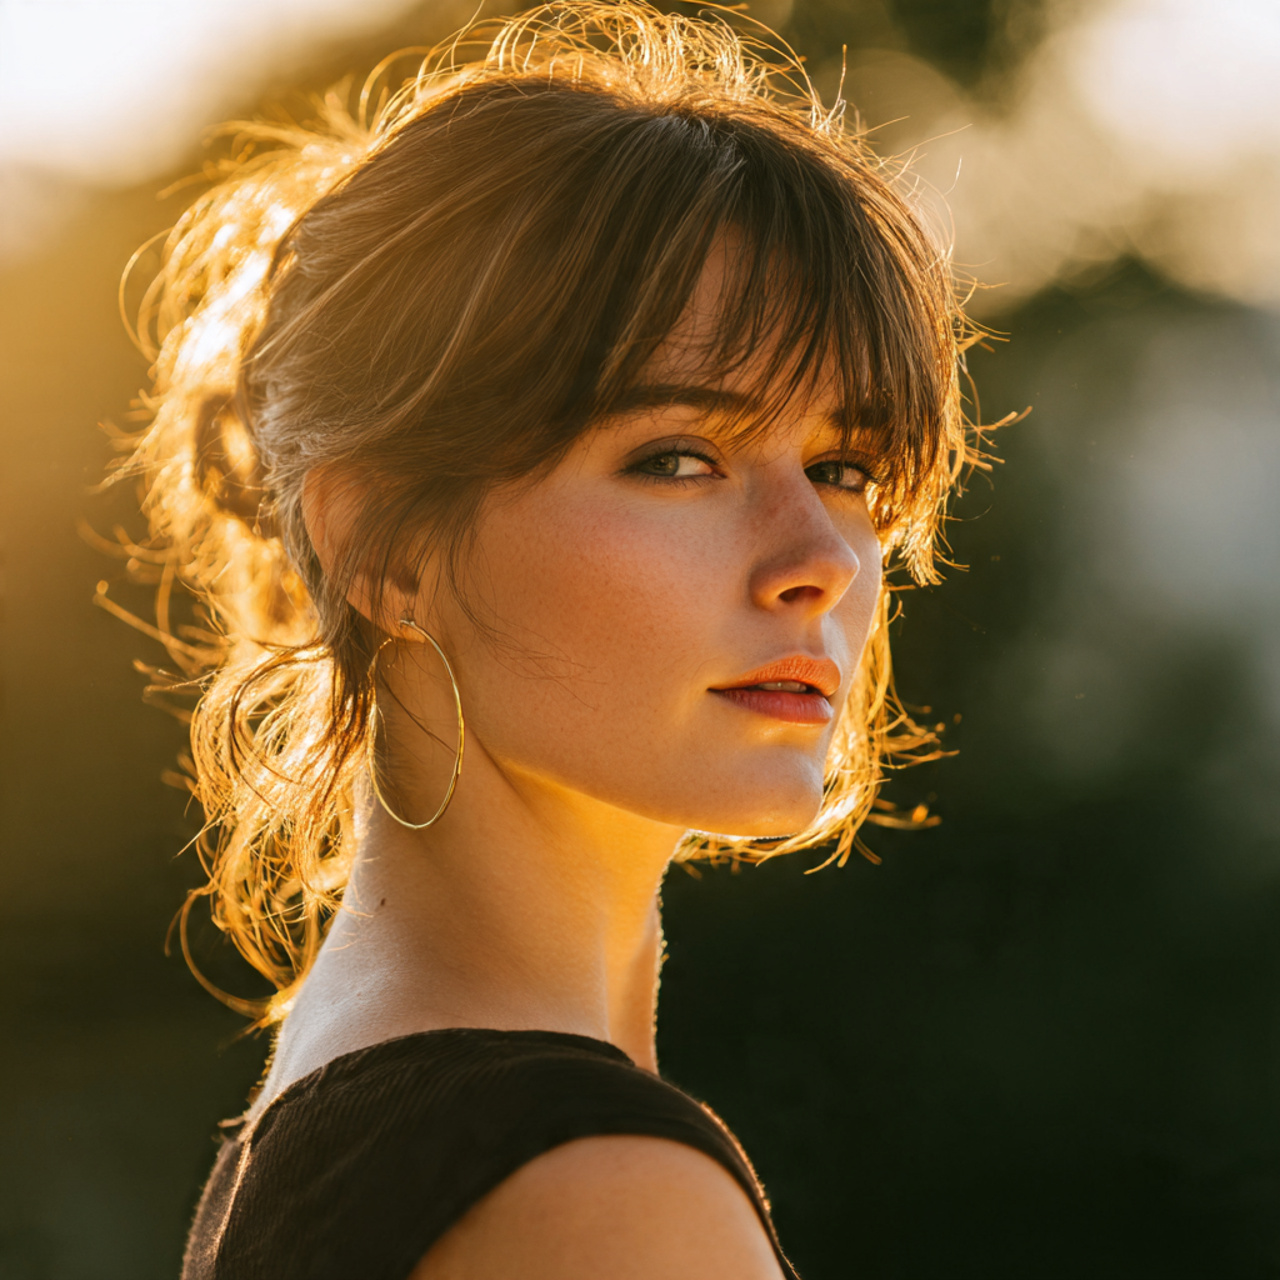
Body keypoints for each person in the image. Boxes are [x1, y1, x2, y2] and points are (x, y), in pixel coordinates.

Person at [117, 3, 974, 1275]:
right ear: (382, 547)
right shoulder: (599, 1199)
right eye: (676, 457)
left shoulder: (338, 1103)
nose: (822, 558)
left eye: (843, 467)